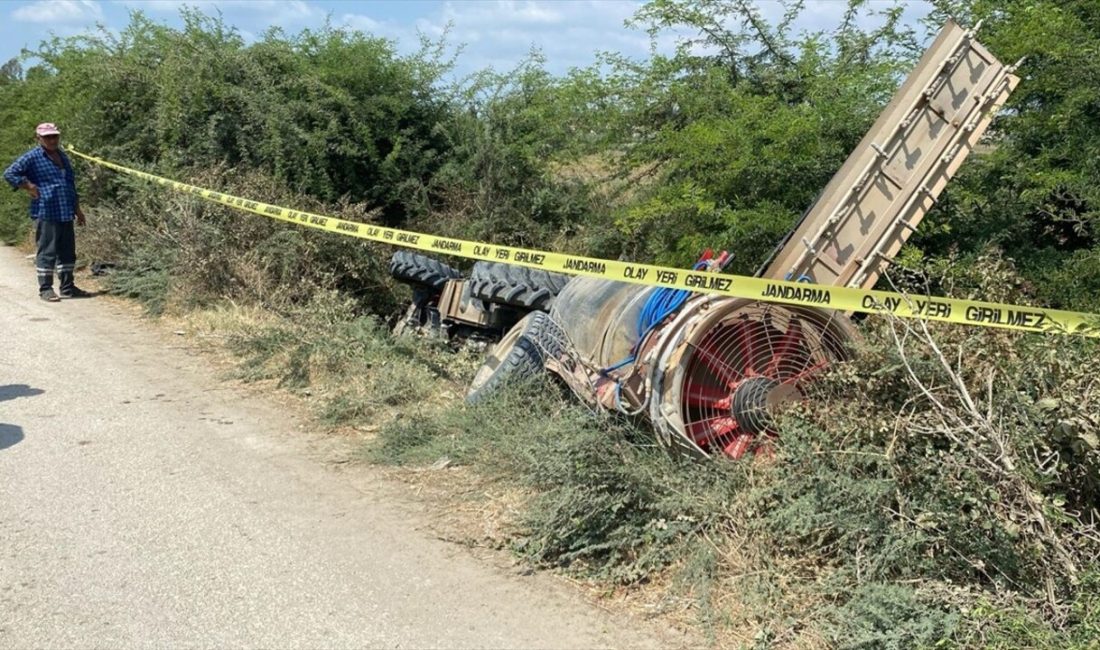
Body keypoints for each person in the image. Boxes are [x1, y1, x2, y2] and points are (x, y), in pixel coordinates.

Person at [4, 122, 90, 302]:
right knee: (47, 251)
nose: (52, 140)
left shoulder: (63, 156)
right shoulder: (33, 157)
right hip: (46, 211)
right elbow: (10, 173)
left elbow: (70, 185)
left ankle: (68, 287)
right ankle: (46, 289)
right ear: (39, 139)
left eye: (54, 136)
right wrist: (28, 186)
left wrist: (78, 210)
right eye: (47, 137)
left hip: (65, 210)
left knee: (67, 251)